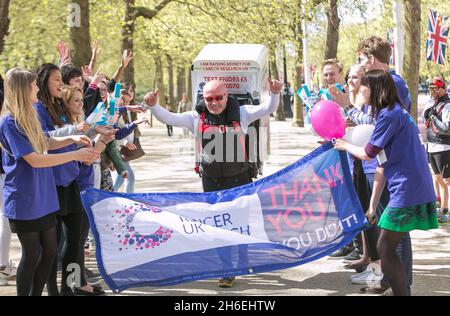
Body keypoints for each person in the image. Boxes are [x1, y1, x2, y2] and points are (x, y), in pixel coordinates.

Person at [143, 78, 283, 288]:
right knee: (220, 224)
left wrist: (275, 93)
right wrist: (154, 106)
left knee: (240, 223)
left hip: (239, 178)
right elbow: (170, 118)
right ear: (203, 98)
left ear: (227, 96)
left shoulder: (242, 113)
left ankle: (242, 256)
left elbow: (267, 108)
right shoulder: (195, 118)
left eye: (219, 97)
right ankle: (227, 269)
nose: (214, 102)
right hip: (211, 181)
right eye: (209, 98)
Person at [334, 69, 439, 296]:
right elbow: (382, 163)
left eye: (365, 85)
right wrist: (372, 206)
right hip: (407, 187)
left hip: (407, 189)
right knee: (387, 244)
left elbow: (369, 153)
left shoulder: (390, 115)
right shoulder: (392, 113)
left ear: (375, 89)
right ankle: (396, 289)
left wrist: (344, 145)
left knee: (385, 246)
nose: (361, 88)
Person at [0, 68, 98, 296]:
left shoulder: (29, 116)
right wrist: (74, 154)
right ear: (23, 89)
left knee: (51, 249)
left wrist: (71, 138)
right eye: (34, 85)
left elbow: (45, 141)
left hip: (45, 195)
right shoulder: (9, 122)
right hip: (26, 198)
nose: (37, 88)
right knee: (32, 254)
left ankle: (57, 290)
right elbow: (34, 160)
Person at [424, 77, 450, 223]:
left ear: (443, 89)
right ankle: (438, 204)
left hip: (443, 146)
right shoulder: (434, 104)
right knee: (436, 178)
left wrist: (434, 119)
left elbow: (447, 128)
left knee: (446, 180)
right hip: (432, 146)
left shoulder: (447, 105)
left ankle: (446, 210)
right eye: (431, 89)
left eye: (435, 88)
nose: (433, 91)